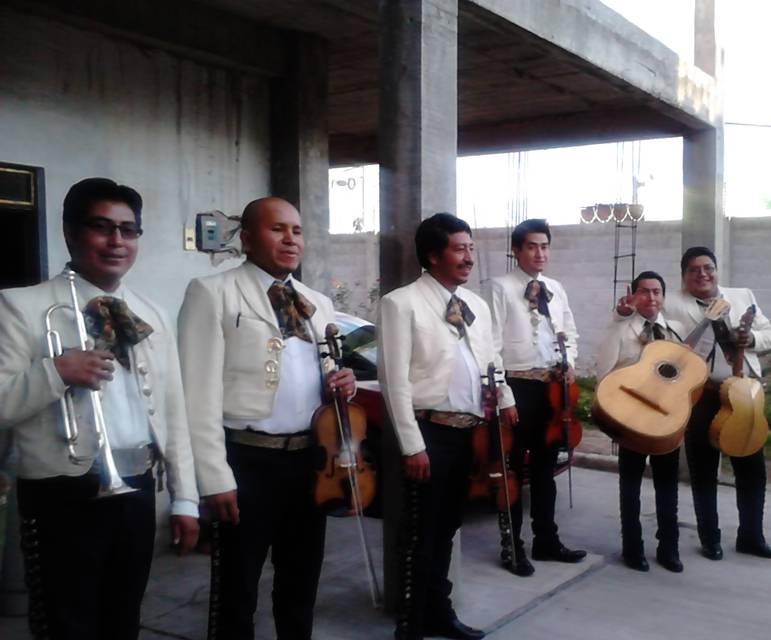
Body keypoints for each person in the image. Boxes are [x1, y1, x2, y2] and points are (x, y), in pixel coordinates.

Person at [0, 177, 199, 639]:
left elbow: (173, 414)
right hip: (57, 493)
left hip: (136, 488)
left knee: (122, 620)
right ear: (70, 232)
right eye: (102, 227)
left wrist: (186, 497)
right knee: (65, 625)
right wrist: (55, 372)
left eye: (128, 231)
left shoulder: (152, 312)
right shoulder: (20, 306)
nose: (117, 241)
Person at [178, 197, 356, 640]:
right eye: (277, 229)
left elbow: (322, 373)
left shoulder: (314, 301)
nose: (290, 239)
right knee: (236, 590)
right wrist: (213, 476)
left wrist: (341, 381)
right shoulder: (213, 292)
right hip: (246, 461)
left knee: (300, 583)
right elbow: (196, 393)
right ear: (247, 238)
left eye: (296, 230)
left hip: (307, 463)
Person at [378, 213, 493, 640]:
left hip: (469, 433)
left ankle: (438, 612)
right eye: (459, 249)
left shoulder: (474, 305)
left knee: (447, 528)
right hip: (429, 435)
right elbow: (394, 381)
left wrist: (505, 402)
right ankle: (409, 622)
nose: (469, 257)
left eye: (471, 248)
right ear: (432, 254)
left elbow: (489, 360)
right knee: (418, 532)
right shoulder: (401, 303)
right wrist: (413, 446)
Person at [662, 246, 771, 561]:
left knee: (752, 467)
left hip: (742, 393)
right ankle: (710, 539)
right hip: (703, 395)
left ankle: (752, 537)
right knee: (703, 470)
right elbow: (671, 350)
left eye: (708, 268)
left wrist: (751, 339)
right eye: (693, 270)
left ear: (716, 269)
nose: (702, 274)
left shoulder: (742, 295)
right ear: (684, 275)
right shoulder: (671, 303)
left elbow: (769, 333)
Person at [488, 219, 586, 577]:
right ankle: (512, 547)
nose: (540, 253)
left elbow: (570, 333)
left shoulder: (555, 288)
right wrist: (504, 396)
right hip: (517, 388)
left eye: (544, 246)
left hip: (551, 390)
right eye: (531, 246)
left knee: (545, 471)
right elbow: (491, 345)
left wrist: (569, 361)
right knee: (512, 471)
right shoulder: (498, 287)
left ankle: (547, 540)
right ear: (516, 251)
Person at [597, 271, 684, 573]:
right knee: (630, 485)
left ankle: (668, 547)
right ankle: (632, 547)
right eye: (644, 291)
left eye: (657, 291)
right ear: (633, 296)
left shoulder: (675, 332)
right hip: (632, 420)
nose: (651, 298)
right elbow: (604, 373)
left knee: (667, 486)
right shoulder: (621, 330)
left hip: (665, 420)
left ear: (663, 296)